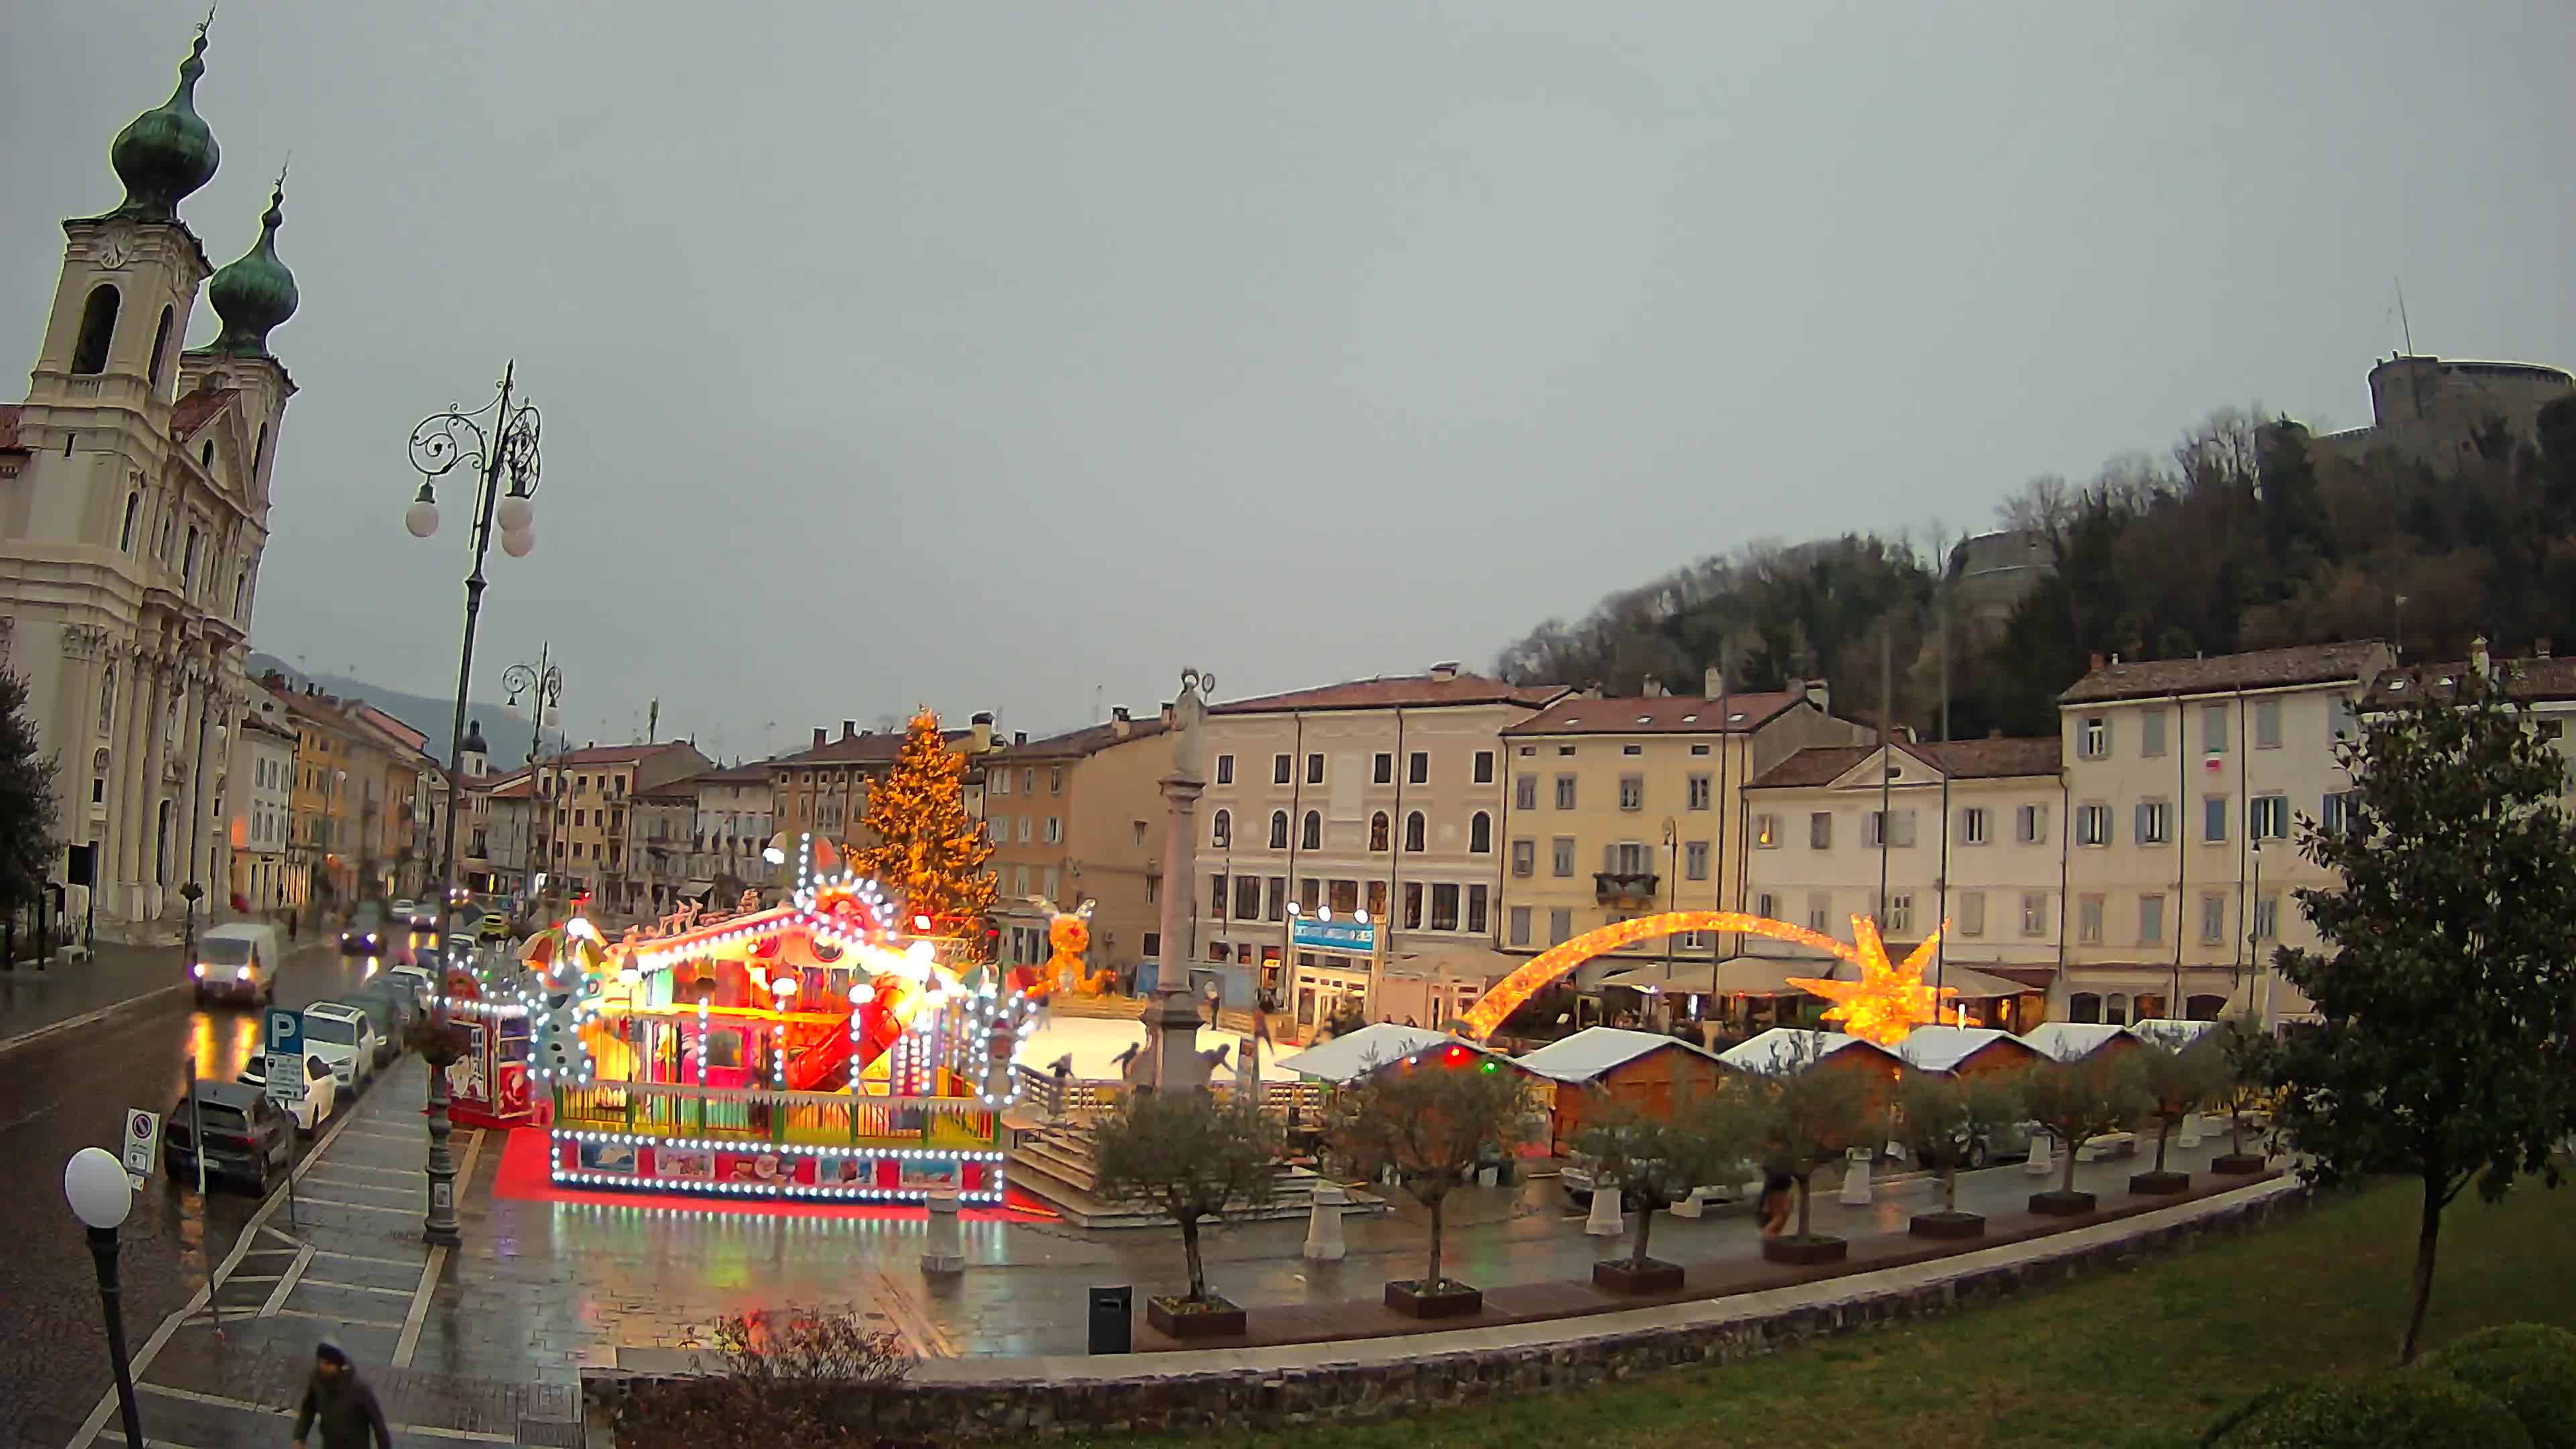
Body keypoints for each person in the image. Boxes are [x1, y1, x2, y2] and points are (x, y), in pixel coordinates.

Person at [292, 1339, 390, 1449]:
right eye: (320, 1361)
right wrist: (299, 1438)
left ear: (338, 1366)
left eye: (327, 1364)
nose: (322, 1367)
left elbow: (378, 1425)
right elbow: (309, 1407)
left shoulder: (359, 1389)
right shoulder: (317, 1380)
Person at [1757, 1170, 1796, 1238]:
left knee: (1783, 1216)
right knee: (1780, 1217)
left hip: (1782, 1188)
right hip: (1778, 1189)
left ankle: (1768, 1237)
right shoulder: (1776, 1172)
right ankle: (1764, 1237)